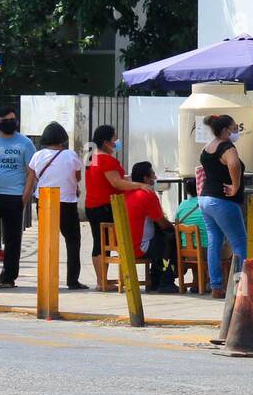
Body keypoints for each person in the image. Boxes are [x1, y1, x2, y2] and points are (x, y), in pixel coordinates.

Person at [84, 125, 151, 290]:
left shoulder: (92, 157)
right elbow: (117, 182)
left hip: (91, 204)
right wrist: (140, 185)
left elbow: (110, 178)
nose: (117, 142)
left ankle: (102, 281)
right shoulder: (107, 159)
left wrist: (129, 180)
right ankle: (102, 282)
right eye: (114, 139)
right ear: (106, 142)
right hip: (105, 205)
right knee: (103, 243)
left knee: (98, 242)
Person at [0, 107, 36, 288]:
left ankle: (8, 278)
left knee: (12, 240)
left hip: (15, 197)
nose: (11, 122)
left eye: (13, 119)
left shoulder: (25, 143)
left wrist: (25, 196)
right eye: (6, 119)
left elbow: (31, 172)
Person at [23, 122, 86, 290]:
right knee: (73, 241)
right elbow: (77, 177)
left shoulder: (37, 156)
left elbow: (32, 176)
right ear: (63, 139)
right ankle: (72, 280)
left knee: (46, 241)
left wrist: (25, 197)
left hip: (44, 201)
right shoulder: (71, 155)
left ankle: (46, 278)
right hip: (67, 202)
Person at [198, 114, 246, 300]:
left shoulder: (207, 147)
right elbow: (233, 164)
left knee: (214, 242)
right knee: (239, 243)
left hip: (205, 200)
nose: (236, 131)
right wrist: (235, 186)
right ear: (225, 130)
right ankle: (241, 288)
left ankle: (216, 285)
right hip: (223, 201)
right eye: (234, 128)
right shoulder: (227, 147)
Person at [123, 161, 178, 293]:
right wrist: (175, 228)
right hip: (140, 247)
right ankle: (166, 281)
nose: (155, 177)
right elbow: (162, 223)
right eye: (152, 174)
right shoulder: (146, 194)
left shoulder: (126, 193)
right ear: (145, 178)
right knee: (172, 238)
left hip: (124, 245)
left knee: (161, 239)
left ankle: (156, 279)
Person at [174, 178, 209, 250]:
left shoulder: (182, 205)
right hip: (207, 250)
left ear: (187, 191)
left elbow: (177, 224)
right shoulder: (207, 203)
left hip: (186, 250)